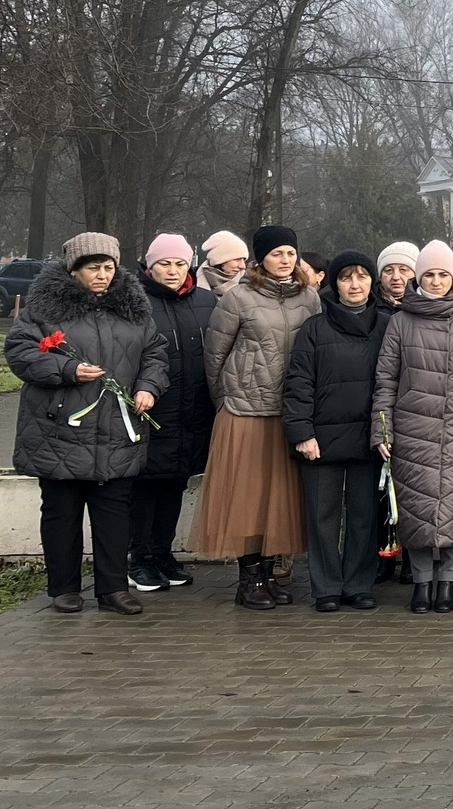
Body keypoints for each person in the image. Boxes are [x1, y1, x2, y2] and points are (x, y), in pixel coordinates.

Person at [4, 233, 167, 614]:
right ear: (73, 270)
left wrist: (148, 387)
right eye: (94, 267)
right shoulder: (44, 309)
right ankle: (64, 587)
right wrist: (67, 368)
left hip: (116, 429)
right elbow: (20, 352)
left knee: (114, 513)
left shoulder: (134, 309)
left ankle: (112, 589)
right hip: (59, 430)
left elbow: (155, 353)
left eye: (108, 267)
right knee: (62, 512)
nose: (103, 275)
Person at [193, 225, 321, 608]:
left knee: (277, 499)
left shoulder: (309, 298)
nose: (285, 260)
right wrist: (227, 400)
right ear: (260, 258)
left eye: (290, 254)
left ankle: (270, 573)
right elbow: (214, 357)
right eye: (277, 253)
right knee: (245, 498)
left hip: (289, 412)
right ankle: (248, 579)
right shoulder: (238, 298)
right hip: (245, 412)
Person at [373, 240, 453, 614]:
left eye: (444, 274)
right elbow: (386, 381)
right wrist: (382, 431)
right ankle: (422, 583)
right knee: (415, 510)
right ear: (419, 277)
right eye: (429, 274)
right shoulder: (400, 321)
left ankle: (448, 583)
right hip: (412, 430)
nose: (437, 281)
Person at [281, 251, 390, 612]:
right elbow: (298, 383)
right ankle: (326, 586)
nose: (355, 284)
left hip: (369, 438)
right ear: (334, 283)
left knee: (363, 515)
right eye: (346, 277)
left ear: (372, 281)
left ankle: (359, 584)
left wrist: (388, 433)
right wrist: (302, 433)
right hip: (321, 440)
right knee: (322, 514)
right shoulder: (315, 327)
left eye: (361, 276)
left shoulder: (389, 326)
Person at [130, 234, 217, 592]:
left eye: (180, 264)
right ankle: (139, 559)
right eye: (165, 263)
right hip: (151, 409)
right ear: (149, 266)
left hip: (192, 410)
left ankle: (163, 553)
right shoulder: (135, 302)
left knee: (175, 482)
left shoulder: (207, 301)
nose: (173, 271)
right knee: (144, 485)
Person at [375, 241, 418, 311]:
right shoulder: (368, 305)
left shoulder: (428, 305)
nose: (396, 277)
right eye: (389, 270)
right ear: (381, 276)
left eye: (403, 270)